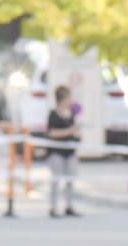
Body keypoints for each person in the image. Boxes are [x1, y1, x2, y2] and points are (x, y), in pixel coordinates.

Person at [46, 85, 81, 218]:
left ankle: (69, 206)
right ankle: (53, 207)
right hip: (57, 152)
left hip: (70, 151)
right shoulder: (53, 115)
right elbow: (51, 133)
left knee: (70, 179)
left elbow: (75, 130)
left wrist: (77, 134)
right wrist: (69, 131)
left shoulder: (71, 114)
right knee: (56, 180)